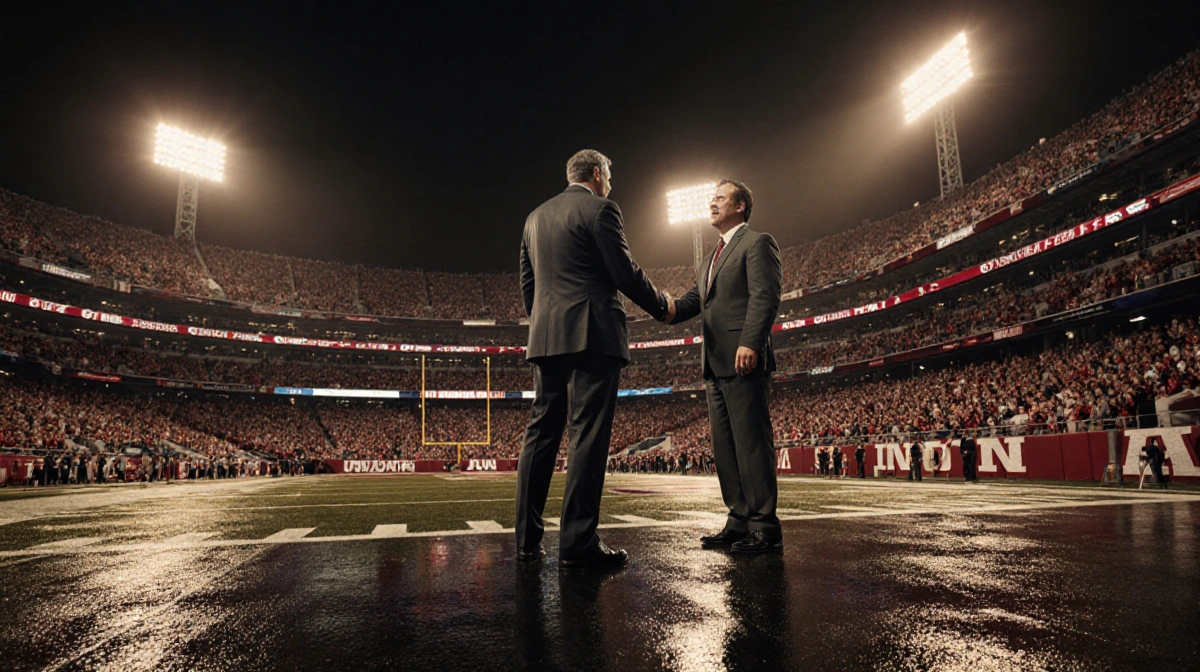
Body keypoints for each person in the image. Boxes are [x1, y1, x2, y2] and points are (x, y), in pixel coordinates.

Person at [514, 149, 674, 569]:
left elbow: (529, 285)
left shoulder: (534, 218)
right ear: (598, 174)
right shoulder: (602, 209)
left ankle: (527, 543)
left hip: (546, 337)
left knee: (541, 434)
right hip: (593, 334)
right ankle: (577, 543)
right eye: (610, 174)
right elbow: (623, 272)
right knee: (587, 435)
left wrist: (546, 324)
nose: (611, 182)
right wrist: (662, 307)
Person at [669, 179, 784, 554]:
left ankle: (764, 526)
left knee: (751, 444)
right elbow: (688, 304)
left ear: (740, 206)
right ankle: (738, 520)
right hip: (714, 364)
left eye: (720, 197)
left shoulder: (757, 242)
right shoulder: (709, 260)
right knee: (726, 447)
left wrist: (751, 341)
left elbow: (765, 296)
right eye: (711, 197)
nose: (712, 203)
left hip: (743, 357)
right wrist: (650, 299)